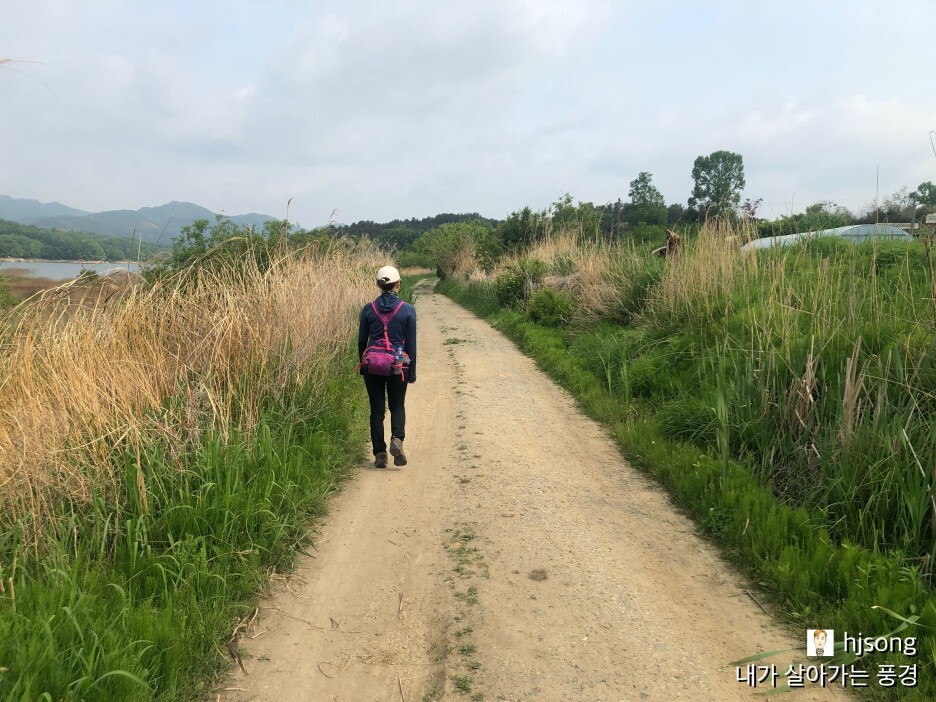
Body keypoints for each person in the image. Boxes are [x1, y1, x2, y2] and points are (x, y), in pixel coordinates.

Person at [358, 265, 417, 468]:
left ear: (378, 284)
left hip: (373, 365)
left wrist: (363, 365)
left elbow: (361, 341)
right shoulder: (407, 310)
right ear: (398, 284)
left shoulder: (368, 309)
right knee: (397, 405)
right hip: (398, 366)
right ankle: (397, 439)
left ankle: (380, 454)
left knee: (376, 409)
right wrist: (412, 372)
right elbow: (411, 345)